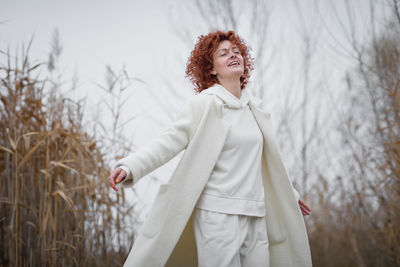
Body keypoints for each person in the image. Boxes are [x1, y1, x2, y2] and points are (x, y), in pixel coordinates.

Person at [109, 30, 313, 267]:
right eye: (223, 53)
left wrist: (289, 195)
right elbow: (168, 141)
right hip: (217, 215)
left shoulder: (254, 111)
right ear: (211, 69)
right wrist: (131, 166)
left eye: (236, 51)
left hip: (256, 214)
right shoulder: (206, 104)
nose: (233, 55)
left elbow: (268, 164)